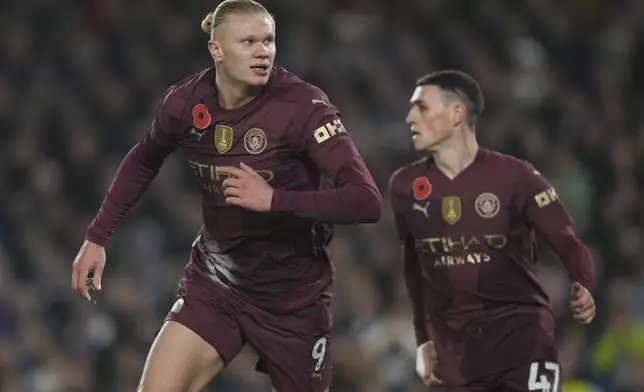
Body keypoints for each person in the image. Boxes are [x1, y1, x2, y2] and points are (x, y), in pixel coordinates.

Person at [71, 1, 382, 391]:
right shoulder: (186, 103)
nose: (263, 51)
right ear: (215, 49)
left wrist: (275, 199)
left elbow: (366, 200)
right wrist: (98, 236)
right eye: (248, 41)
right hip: (217, 284)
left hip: (293, 301)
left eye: (268, 41)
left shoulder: (304, 107)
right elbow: (144, 159)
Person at [388, 70, 596, 392]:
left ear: (457, 113)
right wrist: (423, 338)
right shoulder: (405, 186)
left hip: (523, 340)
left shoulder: (516, 177)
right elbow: (413, 266)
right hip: (458, 353)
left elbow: (568, 241)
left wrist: (583, 281)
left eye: (422, 107)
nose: (409, 117)